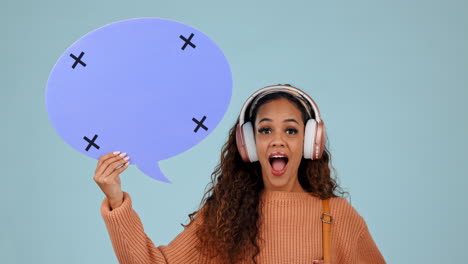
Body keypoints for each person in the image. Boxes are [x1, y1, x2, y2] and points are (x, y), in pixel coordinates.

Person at [94, 84, 387, 264]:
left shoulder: (337, 215)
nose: (277, 140)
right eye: (265, 129)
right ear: (249, 143)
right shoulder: (224, 217)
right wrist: (116, 200)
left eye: (291, 130)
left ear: (310, 142)